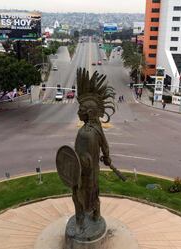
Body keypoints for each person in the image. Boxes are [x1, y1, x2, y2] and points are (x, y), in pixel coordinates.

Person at [73, 68, 115, 226]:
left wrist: (107, 156)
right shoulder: (87, 130)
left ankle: (95, 213)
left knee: (90, 193)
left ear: (90, 112)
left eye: (81, 110)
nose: (78, 112)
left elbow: (104, 144)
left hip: (90, 172)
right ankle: (82, 216)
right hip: (81, 171)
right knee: (79, 194)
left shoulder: (94, 130)